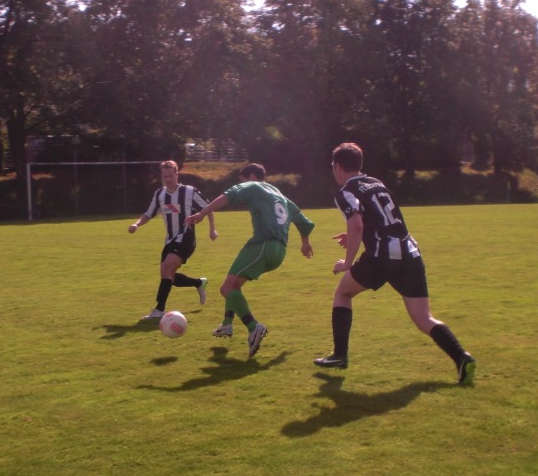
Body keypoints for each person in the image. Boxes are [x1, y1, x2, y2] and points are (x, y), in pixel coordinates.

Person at [313, 142, 476, 383]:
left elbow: (357, 223)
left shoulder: (346, 191)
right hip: (410, 252)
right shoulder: (377, 183)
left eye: (332, 167)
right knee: (424, 318)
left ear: (337, 166)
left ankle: (339, 355)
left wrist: (348, 262)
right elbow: (380, 220)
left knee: (343, 294)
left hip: (382, 255)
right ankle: (462, 357)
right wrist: (358, 236)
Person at [184, 163, 314, 358]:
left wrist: (201, 214)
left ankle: (254, 327)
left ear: (251, 176)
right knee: (234, 284)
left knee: (227, 289)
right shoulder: (280, 195)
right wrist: (305, 243)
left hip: (262, 245)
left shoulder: (253, 186)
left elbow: (228, 196)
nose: (241, 183)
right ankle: (227, 325)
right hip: (279, 252)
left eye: (242, 179)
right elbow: (304, 222)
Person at [128, 160, 217, 321]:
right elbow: (149, 214)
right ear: (161, 176)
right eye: (164, 176)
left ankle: (159, 310)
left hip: (186, 238)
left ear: (177, 174)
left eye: (171, 175)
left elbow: (208, 208)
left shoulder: (189, 192)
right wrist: (137, 224)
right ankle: (198, 283)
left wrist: (212, 229)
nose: (168, 179)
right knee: (169, 276)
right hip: (170, 240)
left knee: (167, 267)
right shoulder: (159, 194)